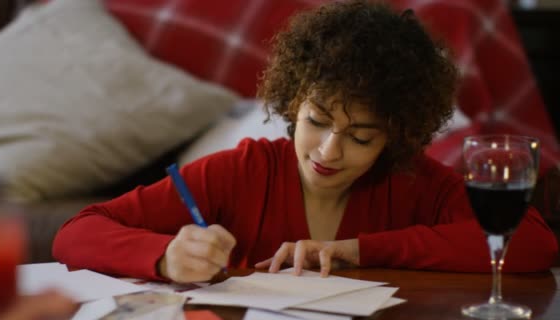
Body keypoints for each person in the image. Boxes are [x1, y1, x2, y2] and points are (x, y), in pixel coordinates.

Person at [53, 0, 557, 283]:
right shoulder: (242, 170)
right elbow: (76, 233)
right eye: (317, 121)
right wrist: (165, 256)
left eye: (361, 136)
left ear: (396, 136)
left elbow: (535, 244)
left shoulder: (415, 183)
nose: (328, 151)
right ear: (294, 103)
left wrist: (358, 250)